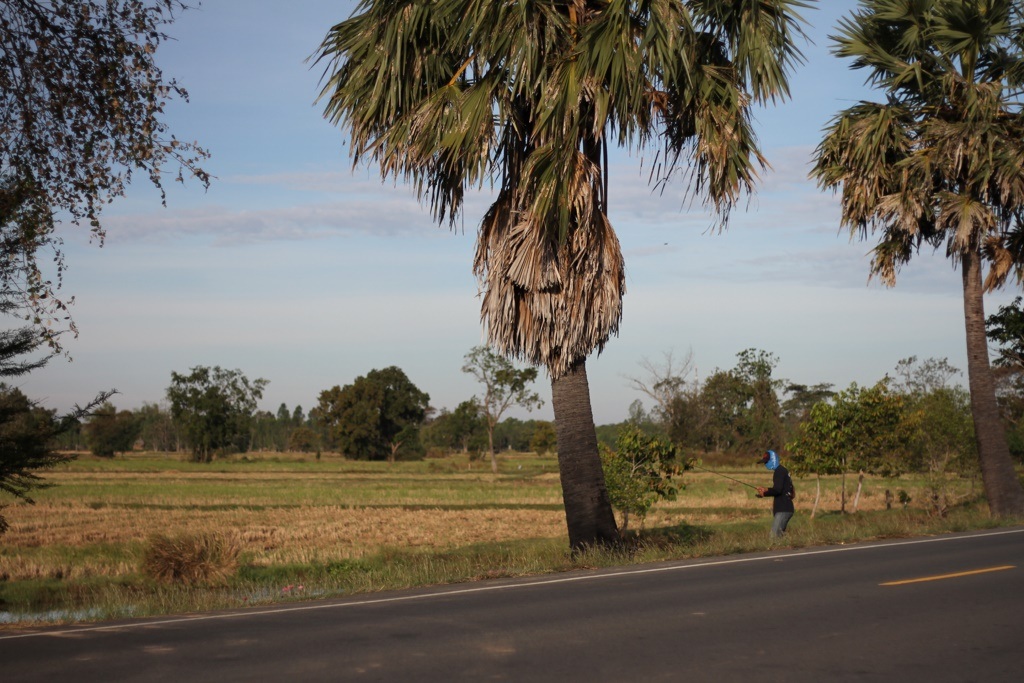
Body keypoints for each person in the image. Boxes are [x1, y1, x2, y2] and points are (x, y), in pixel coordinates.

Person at [756, 450, 794, 538]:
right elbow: (784, 489)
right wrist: (766, 490)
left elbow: (777, 490)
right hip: (785, 508)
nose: (766, 464)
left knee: (774, 537)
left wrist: (765, 492)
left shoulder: (779, 472)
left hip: (783, 509)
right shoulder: (783, 470)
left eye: (767, 462)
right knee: (779, 537)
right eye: (765, 462)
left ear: (774, 459)